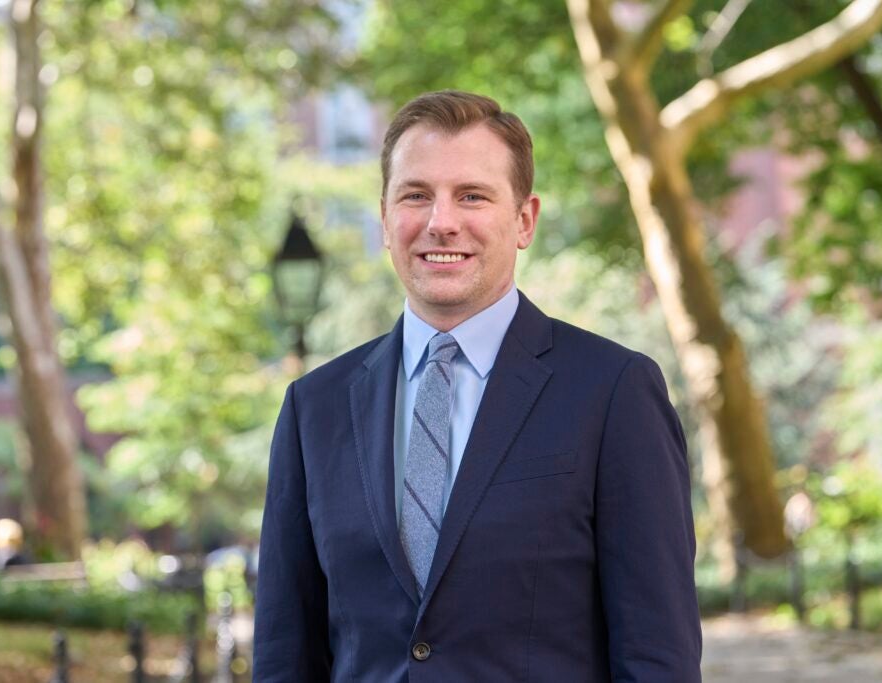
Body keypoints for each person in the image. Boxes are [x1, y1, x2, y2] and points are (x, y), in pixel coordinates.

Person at [253, 90, 702, 682]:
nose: (442, 222)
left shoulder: (614, 392)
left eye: (472, 196)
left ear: (524, 220)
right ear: (385, 221)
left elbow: (657, 656)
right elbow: (285, 656)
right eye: (416, 196)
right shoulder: (315, 408)